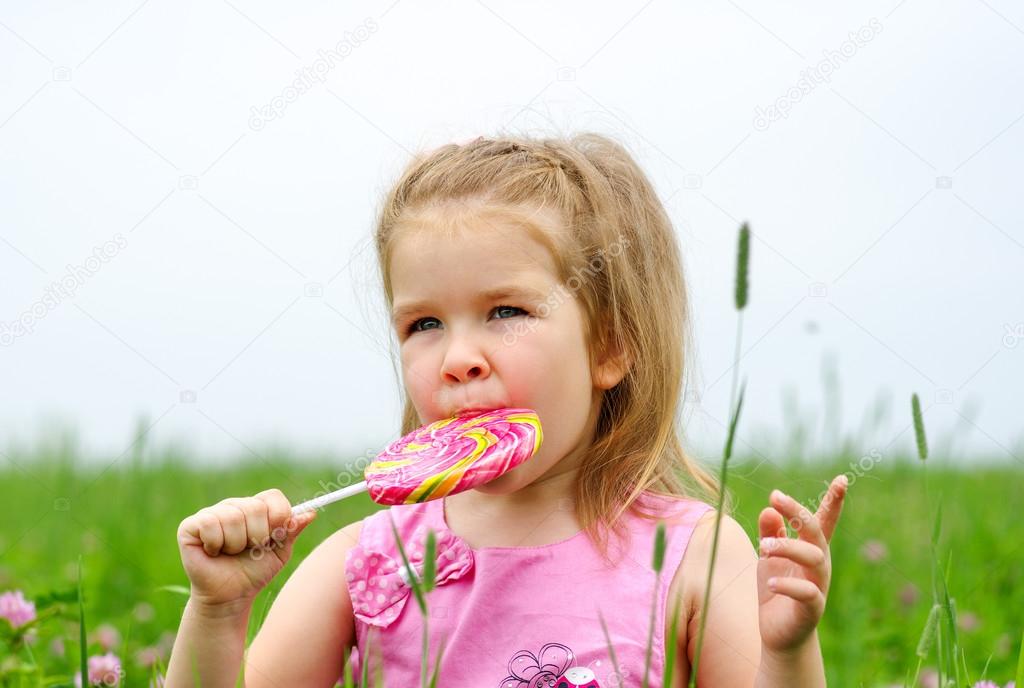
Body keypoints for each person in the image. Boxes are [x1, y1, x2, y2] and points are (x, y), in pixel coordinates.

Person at [165, 133, 848, 687]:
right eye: (424, 324)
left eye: (506, 312)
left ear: (609, 344)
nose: (458, 356)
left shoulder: (693, 555)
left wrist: (786, 655)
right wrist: (220, 611)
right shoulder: (365, 562)